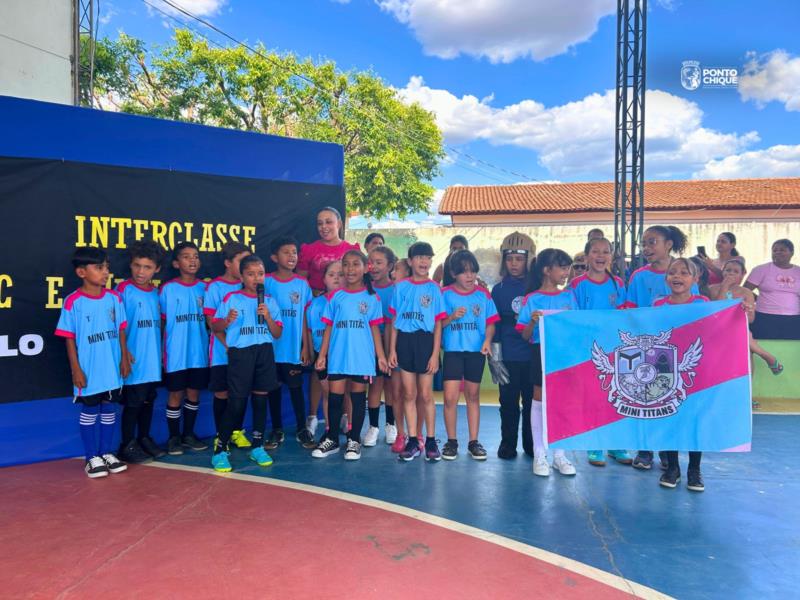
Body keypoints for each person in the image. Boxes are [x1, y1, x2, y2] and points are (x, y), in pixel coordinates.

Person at [626, 225, 696, 470]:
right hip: (645, 347)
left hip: (677, 350)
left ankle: (668, 452)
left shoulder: (686, 271)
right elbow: (630, 311)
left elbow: (697, 310)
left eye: (652, 242)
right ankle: (644, 450)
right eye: (644, 243)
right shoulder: (638, 276)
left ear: (668, 244)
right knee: (645, 398)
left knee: (670, 399)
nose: (646, 248)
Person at [55, 247, 129, 478]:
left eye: (106, 267)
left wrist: (124, 357)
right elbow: (68, 337)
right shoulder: (73, 302)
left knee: (109, 408)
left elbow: (121, 329)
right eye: (99, 267)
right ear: (81, 272)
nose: (105, 272)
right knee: (90, 409)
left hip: (112, 368)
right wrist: (76, 369)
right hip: (89, 370)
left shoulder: (114, 298)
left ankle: (106, 453)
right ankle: (91, 458)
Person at [312, 250, 388, 460]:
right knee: (335, 397)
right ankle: (332, 439)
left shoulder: (372, 298)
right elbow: (328, 327)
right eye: (346, 264)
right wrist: (322, 355)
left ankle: (354, 440)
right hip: (338, 355)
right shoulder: (336, 297)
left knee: (357, 398)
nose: (350, 269)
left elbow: (375, 329)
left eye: (355, 264)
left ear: (365, 268)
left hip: (361, 357)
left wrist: (381, 356)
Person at [210, 255, 283, 472]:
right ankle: (220, 450)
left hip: (264, 352)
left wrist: (267, 317)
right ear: (241, 277)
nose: (256, 278)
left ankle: (257, 446)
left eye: (260, 274)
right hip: (241, 354)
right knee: (237, 403)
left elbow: (277, 333)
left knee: (261, 400)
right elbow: (215, 326)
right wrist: (227, 320)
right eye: (251, 274)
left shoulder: (269, 301)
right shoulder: (232, 298)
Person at [516, 249, 578, 477]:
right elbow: (524, 335)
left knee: (561, 402)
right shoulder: (532, 299)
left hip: (563, 354)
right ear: (546, 270)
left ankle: (559, 456)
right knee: (539, 400)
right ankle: (539, 455)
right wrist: (532, 322)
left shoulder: (569, 297)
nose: (566, 272)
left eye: (568, 268)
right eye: (562, 268)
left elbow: (577, 327)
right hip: (540, 351)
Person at [571, 237, 633, 467]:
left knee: (616, 396)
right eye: (595, 251)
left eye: (605, 252)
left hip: (615, 349)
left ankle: (616, 445)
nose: (600, 256)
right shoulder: (577, 285)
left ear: (611, 256)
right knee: (593, 397)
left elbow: (625, 315)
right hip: (588, 350)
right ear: (587, 255)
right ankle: (594, 445)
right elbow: (571, 318)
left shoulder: (618, 283)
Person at [652, 257, 709, 492]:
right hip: (665, 369)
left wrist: (740, 311)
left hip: (695, 369)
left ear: (695, 279)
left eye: (684, 273)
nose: (677, 276)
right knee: (670, 417)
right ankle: (672, 468)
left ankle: (694, 469)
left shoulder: (703, 302)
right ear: (666, 278)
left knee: (695, 419)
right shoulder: (658, 305)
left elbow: (717, 325)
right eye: (673, 272)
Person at [389, 242, 446, 461]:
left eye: (428, 257)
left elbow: (438, 324)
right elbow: (395, 321)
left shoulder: (434, 288)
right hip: (405, 341)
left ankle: (430, 440)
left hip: (425, 342)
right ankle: (412, 440)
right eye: (420, 257)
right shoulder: (401, 287)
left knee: (426, 395)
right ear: (411, 261)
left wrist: (434, 354)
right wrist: (392, 350)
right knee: (409, 394)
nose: (424, 261)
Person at [440, 250, 499, 460]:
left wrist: (487, 341)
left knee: (473, 396)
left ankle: (474, 442)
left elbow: (491, 322)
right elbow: (438, 324)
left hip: (475, 353)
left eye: (473, 271)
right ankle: (451, 441)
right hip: (453, 352)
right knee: (450, 398)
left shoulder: (483, 294)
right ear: (453, 273)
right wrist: (451, 317)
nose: (469, 276)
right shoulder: (444, 294)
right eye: (464, 272)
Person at [116, 240, 166, 464]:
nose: (141, 272)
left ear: (157, 269)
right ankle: (126, 444)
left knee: (148, 400)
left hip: (152, 359)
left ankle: (144, 438)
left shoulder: (156, 293)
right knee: (133, 403)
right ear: (131, 265)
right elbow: (117, 325)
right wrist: (124, 352)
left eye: (147, 267)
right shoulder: (123, 291)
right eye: (137, 265)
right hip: (134, 360)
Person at [264, 236, 315, 450]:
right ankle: (277, 429)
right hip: (270, 349)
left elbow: (304, 317)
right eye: (286, 252)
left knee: (296, 389)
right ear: (274, 257)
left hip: (293, 349)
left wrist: (306, 347)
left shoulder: (301, 284)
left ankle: (302, 428)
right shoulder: (265, 281)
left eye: (294, 252)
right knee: (273, 389)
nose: (292, 256)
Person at [159, 242, 209, 456]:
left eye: (195, 256)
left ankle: (188, 434)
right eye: (186, 256)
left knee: (193, 393)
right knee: (175, 394)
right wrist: (161, 352)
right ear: (176, 263)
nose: (192, 260)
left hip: (198, 353)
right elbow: (161, 323)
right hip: (176, 353)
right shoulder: (168, 289)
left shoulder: (205, 288)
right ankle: (173, 438)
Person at [491, 231, 536, 460]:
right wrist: (495, 358)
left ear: (530, 259)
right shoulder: (498, 289)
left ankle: (531, 445)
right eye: (509, 259)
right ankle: (507, 444)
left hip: (531, 355)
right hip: (507, 355)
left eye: (519, 259)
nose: (514, 264)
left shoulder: (536, 287)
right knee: (507, 403)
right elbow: (494, 325)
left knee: (531, 403)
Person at [204, 242, 252, 452]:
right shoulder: (215, 287)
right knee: (222, 393)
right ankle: (220, 435)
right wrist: (229, 345)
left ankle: (236, 432)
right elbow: (211, 322)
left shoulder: (249, 285)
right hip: (222, 353)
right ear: (227, 263)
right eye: (242, 261)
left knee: (240, 393)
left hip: (246, 353)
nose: (246, 265)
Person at [710, 258, 781, 379]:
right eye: (728, 270)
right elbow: (717, 312)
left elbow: (751, 319)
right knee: (746, 339)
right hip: (718, 329)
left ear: (743, 275)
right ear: (722, 272)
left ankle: (748, 388)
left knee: (746, 345)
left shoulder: (747, 292)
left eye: (735, 271)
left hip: (738, 328)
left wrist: (745, 311)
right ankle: (765, 355)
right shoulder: (711, 289)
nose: (731, 273)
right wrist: (725, 286)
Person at [364, 246, 399, 447]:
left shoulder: (397, 289)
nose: (374, 266)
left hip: (392, 344)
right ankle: (373, 426)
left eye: (379, 262)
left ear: (390, 266)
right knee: (375, 384)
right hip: (371, 344)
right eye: (371, 262)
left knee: (391, 384)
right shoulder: (365, 289)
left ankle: (391, 424)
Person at [305, 260, 343, 439]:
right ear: (324, 279)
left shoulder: (349, 301)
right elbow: (309, 330)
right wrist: (310, 351)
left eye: (340, 275)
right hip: (322, 354)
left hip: (344, 354)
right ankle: (329, 429)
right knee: (328, 392)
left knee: (347, 393)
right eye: (331, 274)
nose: (336, 278)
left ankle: (349, 427)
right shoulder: (315, 304)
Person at [745, 239, 800, 341]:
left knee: (791, 345)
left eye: (782, 250)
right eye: (775, 250)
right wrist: (757, 298)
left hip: (794, 318)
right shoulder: (761, 269)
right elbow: (745, 291)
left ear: (792, 252)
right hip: (765, 317)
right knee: (764, 344)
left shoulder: (798, 271)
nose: (778, 252)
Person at [297, 206, 360, 294]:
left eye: (328, 222)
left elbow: (358, 281)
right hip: (315, 300)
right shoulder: (309, 250)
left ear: (339, 224)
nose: (323, 226)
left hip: (346, 299)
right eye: (320, 223)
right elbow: (299, 282)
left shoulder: (352, 250)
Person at [388, 257, 412, 452]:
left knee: (415, 395)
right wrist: (391, 350)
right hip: (398, 350)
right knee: (396, 393)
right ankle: (400, 434)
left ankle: (416, 435)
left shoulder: (425, 291)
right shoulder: (396, 293)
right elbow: (393, 324)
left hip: (417, 350)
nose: (392, 273)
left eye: (397, 269)